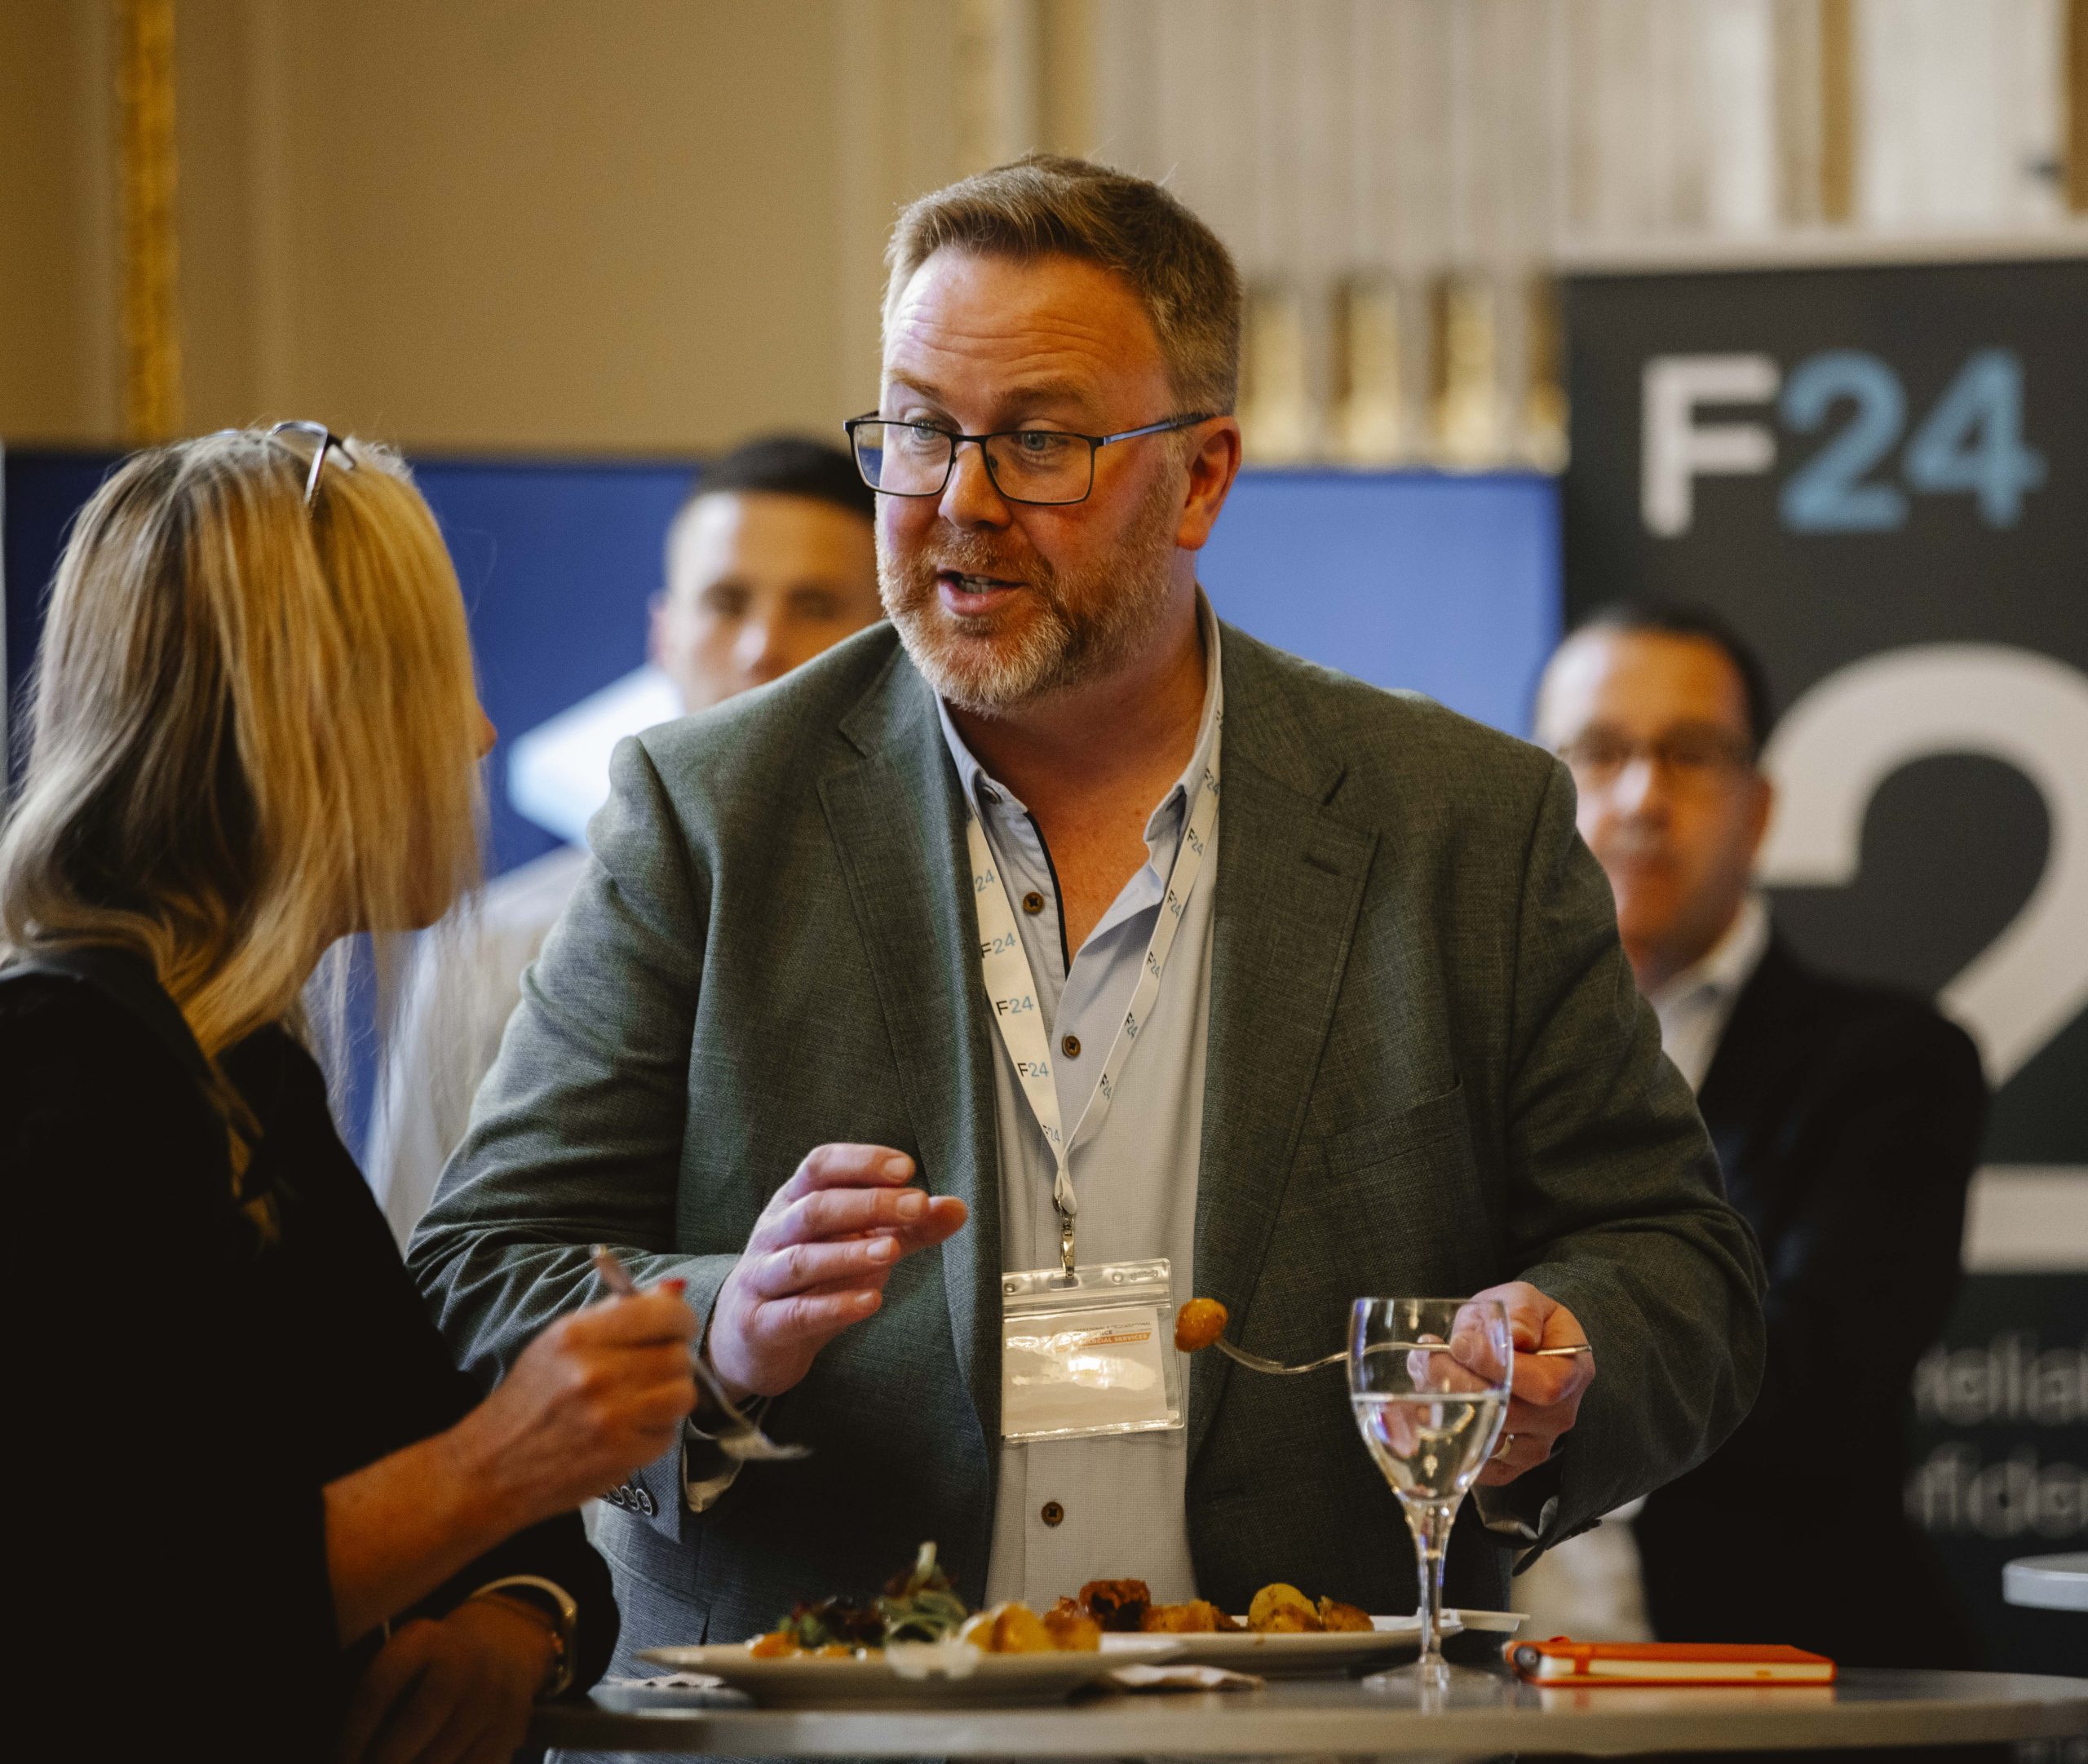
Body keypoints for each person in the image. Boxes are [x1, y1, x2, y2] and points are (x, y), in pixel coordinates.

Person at [412, 157, 1764, 1674]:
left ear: (1202, 477)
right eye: (919, 429)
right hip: (827, 1725)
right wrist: (722, 1329)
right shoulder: (709, 812)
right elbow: (477, 1271)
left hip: (1311, 1725)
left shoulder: (1461, 824)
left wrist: (1562, 1350)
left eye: (1040, 442)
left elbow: (1680, 1265)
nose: (959, 502)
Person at [0, 427, 701, 1761]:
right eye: (437, 679)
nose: (480, 730)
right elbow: (94, 1623)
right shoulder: (59, 1074)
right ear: (302, 716)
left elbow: (500, 1518)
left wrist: (517, 1617)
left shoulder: (248, 1078)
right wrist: (502, 1460)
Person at [1534, 601, 1986, 1667]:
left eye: (1690, 753)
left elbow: (1820, 1381)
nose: (1641, 796)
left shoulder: (1891, 1064)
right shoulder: (1456, 1049)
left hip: (1773, 1676)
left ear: (1760, 805)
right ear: (1532, 793)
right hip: (1473, 1686)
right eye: (1599, 750)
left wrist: (1541, 1378)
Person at [367, 437, 882, 1245]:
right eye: (726, 602)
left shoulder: (953, 927)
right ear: (664, 635)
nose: (761, 648)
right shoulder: (492, 949)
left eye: (815, 605)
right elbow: (414, 1261)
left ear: (887, 638)